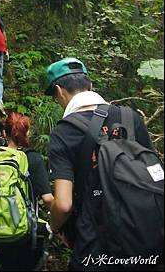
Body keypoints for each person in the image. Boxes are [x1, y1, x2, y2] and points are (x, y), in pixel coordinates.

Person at [45, 57, 162, 271]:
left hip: (95, 246)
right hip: (143, 237)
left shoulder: (64, 132)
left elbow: (63, 204)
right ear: (90, 85)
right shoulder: (130, 117)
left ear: (59, 91)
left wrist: (52, 226)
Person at [0, 112, 54, 272]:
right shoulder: (34, 159)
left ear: (4, 133)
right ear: (28, 133)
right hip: (23, 233)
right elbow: (48, 199)